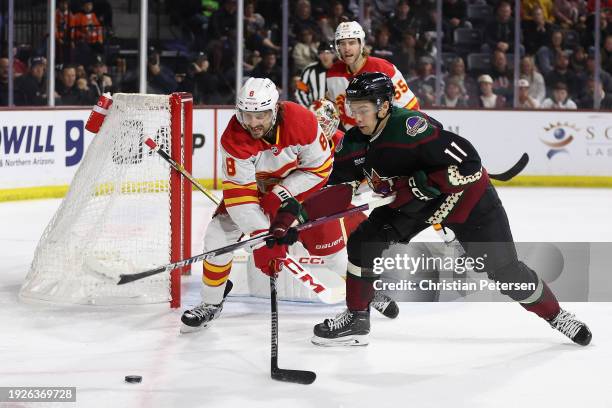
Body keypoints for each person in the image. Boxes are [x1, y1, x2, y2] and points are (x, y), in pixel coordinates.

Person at [267, 72, 592, 347]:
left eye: (363, 108)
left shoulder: (411, 127)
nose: (356, 116)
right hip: (415, 204)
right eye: (352, 108)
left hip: (467, 199)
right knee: (364, 241)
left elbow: (469, 163)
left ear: (383, 107)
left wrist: (426, 182)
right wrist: (293, 215)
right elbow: (337, 192)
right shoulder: (353, 144)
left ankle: (556, 315)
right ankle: (357, 318)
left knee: (505, 272)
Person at [179, 78, 335, 333]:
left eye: (260, 115)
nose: (253, 123)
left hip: (296, 192)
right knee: (218, 235)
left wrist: (281, 193)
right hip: (254, 194)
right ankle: (211, 303)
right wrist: (264, 240)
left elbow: (319, 170)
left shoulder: (302, 121)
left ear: (274, 109)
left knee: (329, 237)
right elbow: (240, 198)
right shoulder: (234, 136)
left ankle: (359, 292)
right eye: (247, 115)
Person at [326, 21, 420, 131]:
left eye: (352, 43)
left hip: (386, 137)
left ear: (361, 44)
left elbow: (411, 108)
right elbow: (335, 105)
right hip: (356, 141)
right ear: (337, 47)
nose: (347, 48)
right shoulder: (333, 73)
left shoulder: (383, 69)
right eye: (342, 43)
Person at [295, 41, 336, 107]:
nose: (325, 56)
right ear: (318, 55)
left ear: (333, 54)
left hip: (338, 113)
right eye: (322, 53)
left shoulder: (340, 70)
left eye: (328, 53)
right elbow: (300, 91)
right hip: (315, 113)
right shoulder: (309, 70)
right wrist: (308, 107)